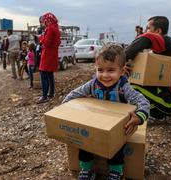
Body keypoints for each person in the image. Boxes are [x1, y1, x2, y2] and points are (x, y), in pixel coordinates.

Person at [63, 44, 150, 180]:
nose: (105, 75)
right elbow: (74, 93)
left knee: (117, 147)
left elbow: (143, 102)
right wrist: (64, 108)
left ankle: (116, 171)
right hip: (96, 124)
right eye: (100, 70)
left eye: (111, 70)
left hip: (117, 128)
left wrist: (139, 117)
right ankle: (86, 169)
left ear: (121, 71)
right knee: (84, 143)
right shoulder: (93, 84)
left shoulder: (123, 87)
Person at [125, 16, 171, 121]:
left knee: (132, 87)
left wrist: (119, 60)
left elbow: (147, 37)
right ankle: (157, 114)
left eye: (148, 28)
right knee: (137, 81)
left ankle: (152, 115)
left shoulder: (165, 41)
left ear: (158, 31)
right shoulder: (163, 48)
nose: (145, 31)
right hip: (168, 97)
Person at [37, 12, 61, 103]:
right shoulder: (56, 28)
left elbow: (46, 42)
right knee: (50, 75)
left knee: (43, 75)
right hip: (52, 55)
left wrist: (41, 38)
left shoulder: (50, 29)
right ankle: (51, 93)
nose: (43, 23)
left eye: (44, 21)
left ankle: (44, 96)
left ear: (47, 20)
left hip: (47, 55)